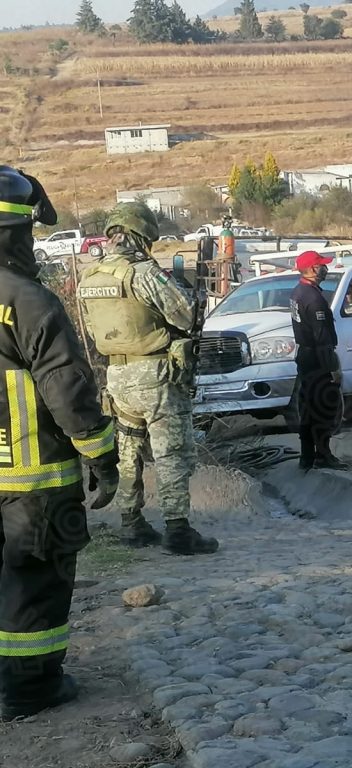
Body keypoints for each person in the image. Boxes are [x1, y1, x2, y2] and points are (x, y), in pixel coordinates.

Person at [0, 166, 119, 720]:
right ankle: (30, 689)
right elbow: (68, 392)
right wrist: (102, 456)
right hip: (31, 479)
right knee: (35, 581)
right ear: (15, 234)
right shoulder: (29, 303)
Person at [78, 202, 217, 555]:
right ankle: (178, 530)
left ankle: (131, 523)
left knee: (128, 451)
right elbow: (185, 316)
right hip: (155, 374)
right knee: (171, 451)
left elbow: (94, 330)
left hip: (116, 374)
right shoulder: (142, 272)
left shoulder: (90, 277)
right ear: (143, 234)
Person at [289, 250, 346, 471]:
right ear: (313, 269)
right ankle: (323, 455)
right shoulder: (314, 299)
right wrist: (332, 368)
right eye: (322, 265)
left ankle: (306, 457)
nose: (325, 268)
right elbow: (322, 337)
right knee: (323, 407)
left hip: (304, 356)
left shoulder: (298, 292)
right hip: (318, 357)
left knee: (307, 407)